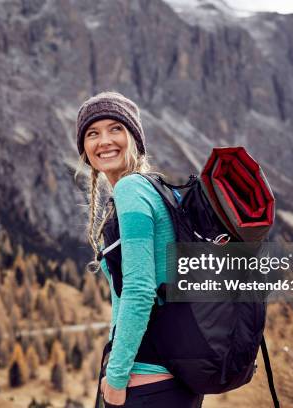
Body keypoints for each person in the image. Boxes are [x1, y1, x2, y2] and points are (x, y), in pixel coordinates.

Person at [74, 91, 204, 407]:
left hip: (146, 380)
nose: (104, 141)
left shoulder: (132, 190)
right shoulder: (160, 192)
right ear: (84, 150)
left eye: (116, 128)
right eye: (93, 134)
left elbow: (139, 289)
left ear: (135, 138)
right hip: (177, 377)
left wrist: (116, 379)